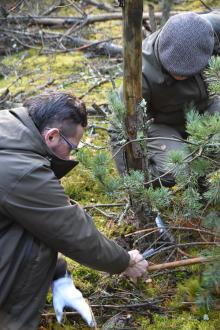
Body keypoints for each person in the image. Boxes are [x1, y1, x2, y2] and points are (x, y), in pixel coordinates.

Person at [0, 91, 148, 329]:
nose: (69, 156)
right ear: (52, 136)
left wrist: (59, 275)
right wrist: (124, 261)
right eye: (71, 148)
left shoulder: (8, 128)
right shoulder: (22, 171)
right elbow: (71, 231)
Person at [112, 11, 220, 186]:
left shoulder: (212, 27)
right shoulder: (139, 74)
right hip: (161, 123)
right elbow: (118, 128)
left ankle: (197, 178)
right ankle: (175, 176)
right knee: (176, 169)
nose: (179, 76)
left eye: (186, 73)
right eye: (173, 70)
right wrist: (133, 183)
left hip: (206, 105)